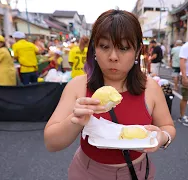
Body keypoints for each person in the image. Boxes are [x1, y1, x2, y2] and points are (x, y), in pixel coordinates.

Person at [44, 9, 176, 180]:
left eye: (123, 48)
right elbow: (51, 143)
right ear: (94, 50)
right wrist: (75, 121)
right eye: (104, 46)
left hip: (137, 172)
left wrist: (162, 137)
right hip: (88, 172)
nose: (113, 56)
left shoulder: (150, 88)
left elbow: (168, 127)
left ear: (137, 52)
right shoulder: (77, 86)